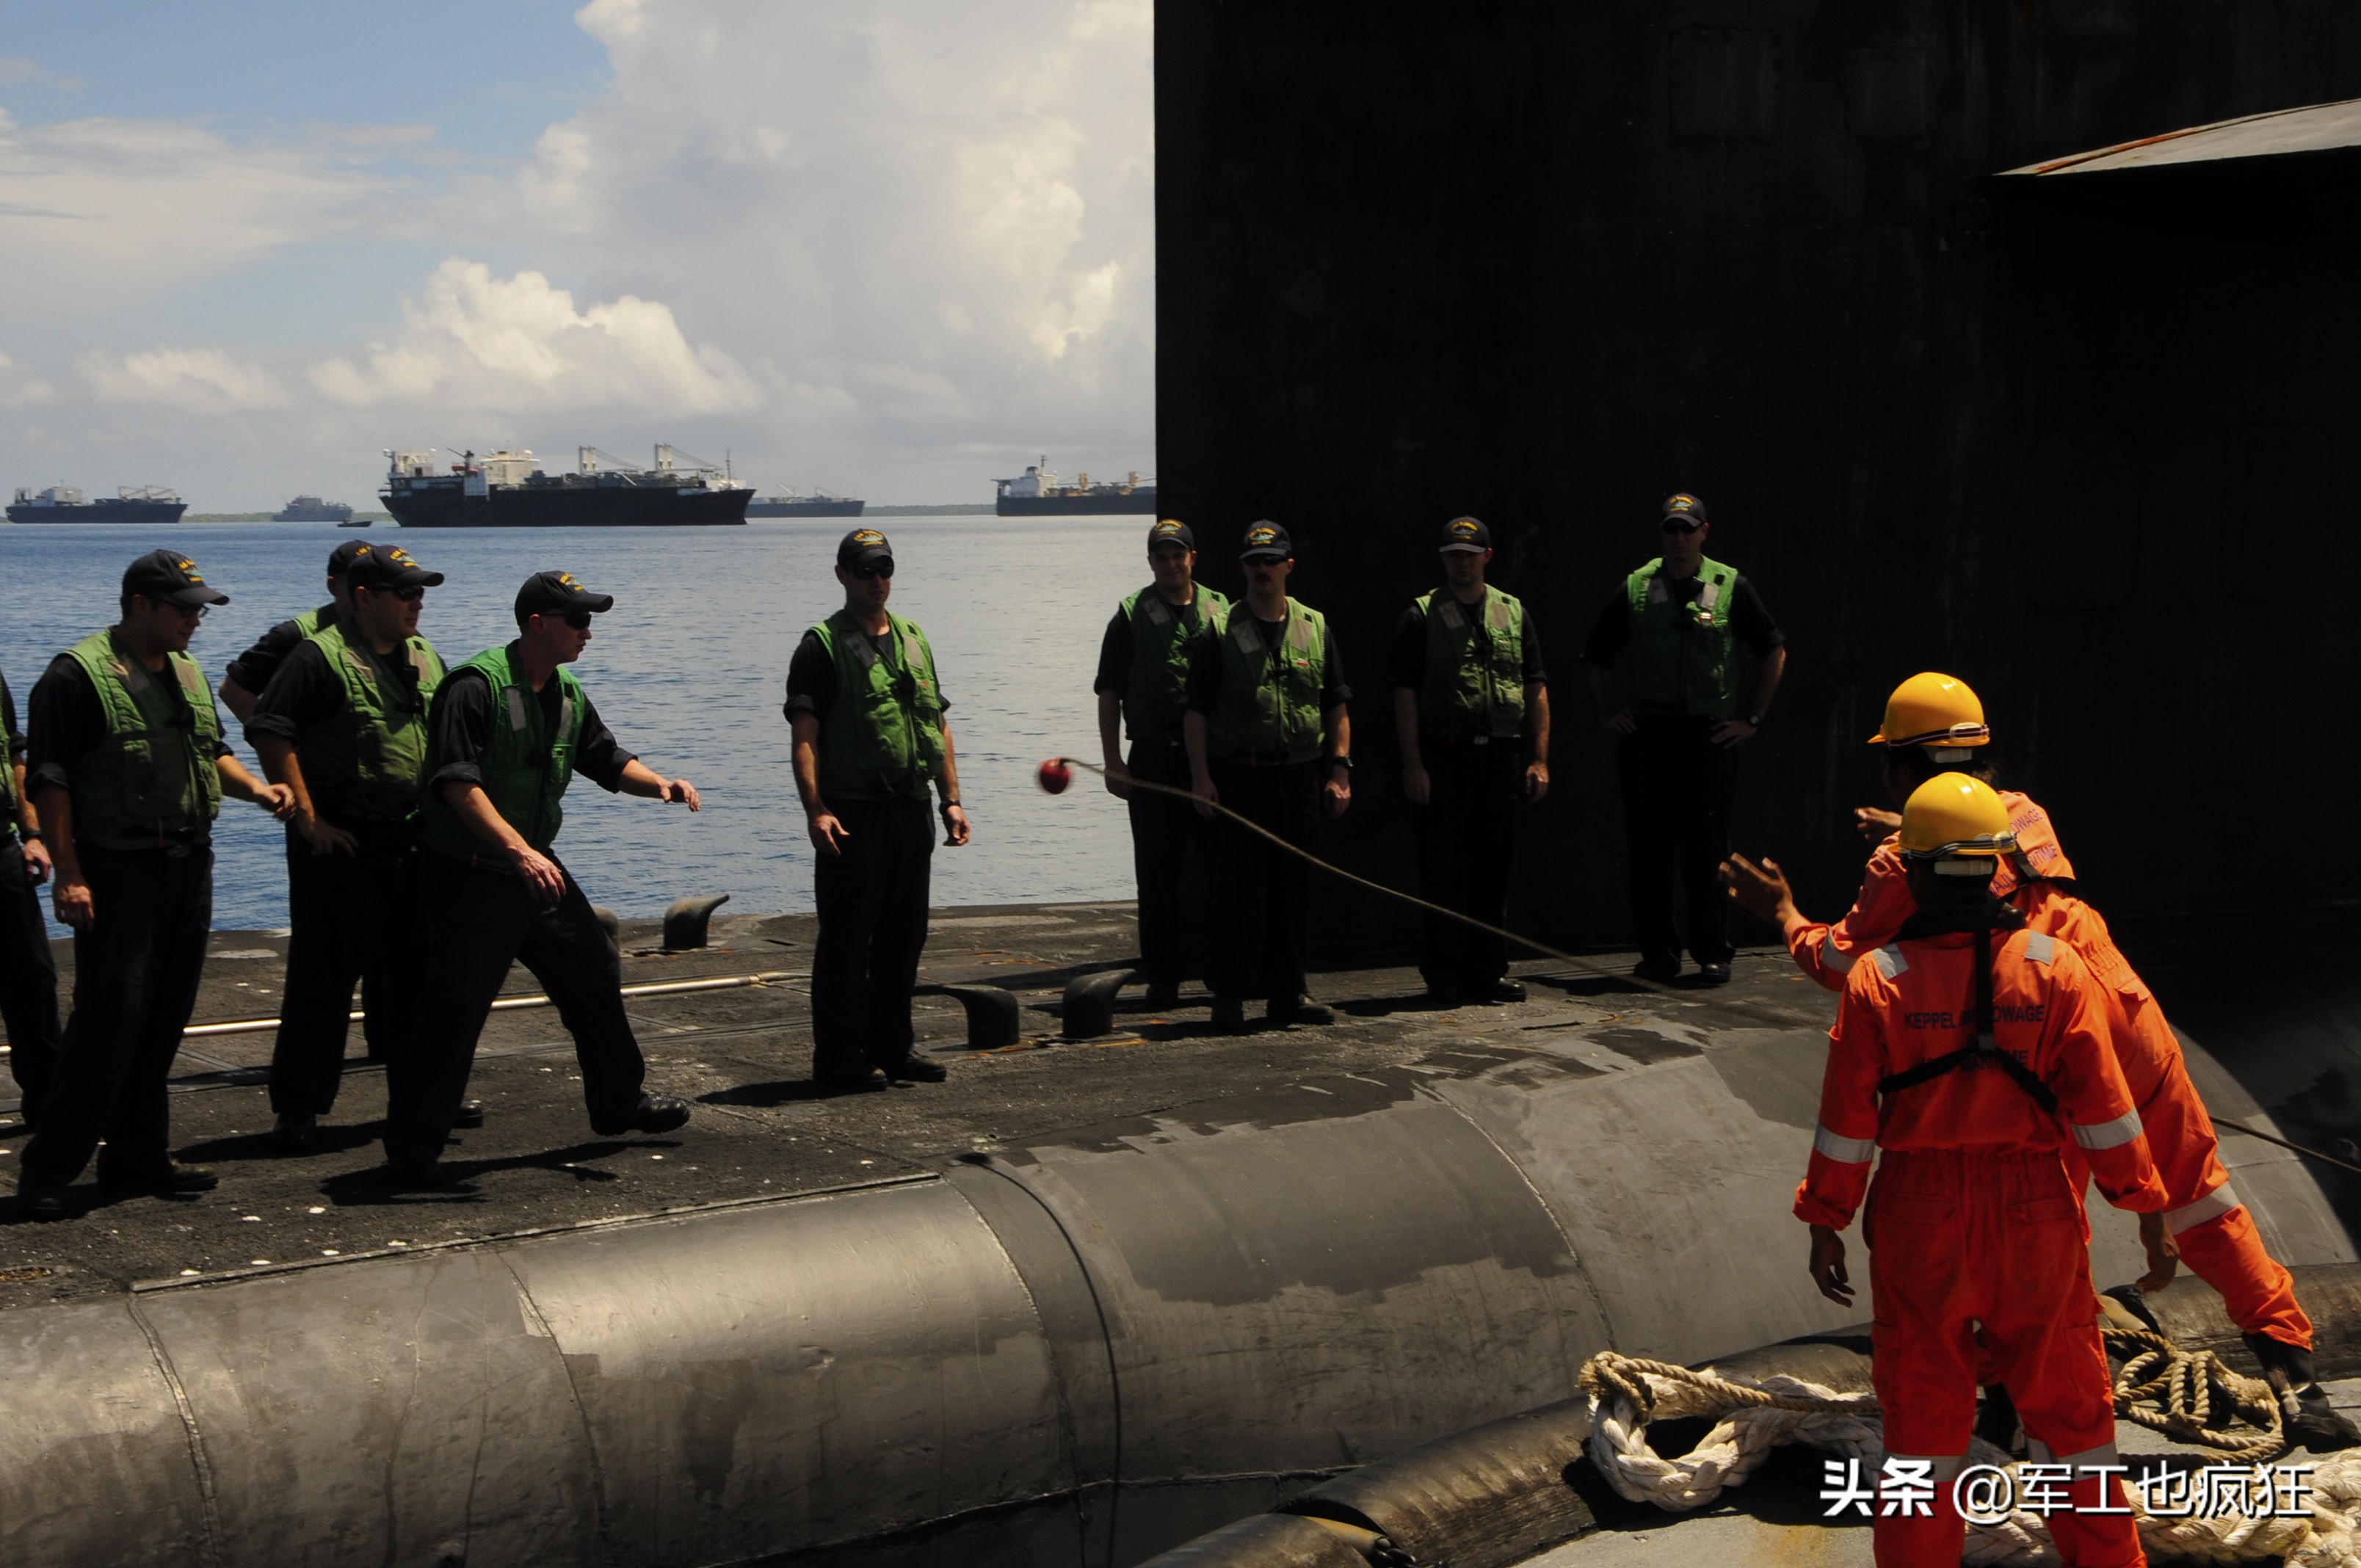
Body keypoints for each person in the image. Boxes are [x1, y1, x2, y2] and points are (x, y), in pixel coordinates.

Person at [1729, 671, 2355, 1450]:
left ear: (1901, 769)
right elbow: (1995, 853)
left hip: (2040, 1020)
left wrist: (1785, 914)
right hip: (2117, 996)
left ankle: (2016, 1406)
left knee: (2045, 1220)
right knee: (2201, 1194)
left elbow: (1839, 960)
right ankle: (2298, 1381)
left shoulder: (1899, 864)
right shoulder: (2027, 813)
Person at [1796, 772, 2166, 1567]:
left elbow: (1848, 1124)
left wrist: (1826, 1221)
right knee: (2074, 1423)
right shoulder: (2057, 968)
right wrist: (2146, 1207)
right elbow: (2105, 1109)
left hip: (1918, 1217)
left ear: (1918, 873)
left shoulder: (1878, 979)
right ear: (1999, 865)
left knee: (1922, 1434)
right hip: (2035, 1210)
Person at [383, 570, 698, 1183]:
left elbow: (604, 757)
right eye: (577, 622)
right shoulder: (474, 688)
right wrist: (519, 851)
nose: (587, 632)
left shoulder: (567, 693)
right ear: (537, 625)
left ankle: (616, 1103)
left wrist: (659, 782)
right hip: (470, 871)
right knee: (454, 1008)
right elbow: (455, 783)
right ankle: (414, 1147)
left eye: (589, 621)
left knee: (594, 967)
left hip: (531, 870)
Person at [15, 551, 295, 1219]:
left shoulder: (190, 673)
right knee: (109, 1019)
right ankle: (49, 1169)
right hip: (118, 868)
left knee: (164, 1014)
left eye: (200, 609)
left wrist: (257, 789)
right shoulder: (74, 677)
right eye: (184, 608)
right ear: (141, 604)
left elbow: (213, 750)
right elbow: (50, 780)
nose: (195, 620)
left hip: (187, 863)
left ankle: (137, 1155)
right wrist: (70, 874)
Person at [246, 544, 449, 1153]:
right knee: (324, 982)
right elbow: (269, 728)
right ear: (363, 598)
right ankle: (300, 1107)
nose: (417, 603)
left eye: (420, 593)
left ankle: (419, 1097)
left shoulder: (424, 655)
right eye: (405, 593)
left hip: (410, 841)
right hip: (343, 842)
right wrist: (309, 820)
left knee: (416, 977)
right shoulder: (319, 657)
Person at [786, 529, 971, 1089]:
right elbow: (805, 735)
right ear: (842, 575)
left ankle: (895, 1046)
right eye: (865, 570)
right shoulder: (821, 644)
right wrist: (815, 809)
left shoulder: (915, 639)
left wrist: (953, 800)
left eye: (884, 569)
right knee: (847, 940)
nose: (877, 581)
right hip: (852, 812)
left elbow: (937, 724)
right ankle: (840, 1057)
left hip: (910, 808)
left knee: (903, 936)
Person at [1581, 492, 1785, 984]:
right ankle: (1658, 954)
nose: (1679, 538)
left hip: (1708, 737)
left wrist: (1752, 719)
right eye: (1671, 529)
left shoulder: (1729, 584)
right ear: (1662, 533)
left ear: (1704, 532)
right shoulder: (1637, 587)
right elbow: (1596, 654)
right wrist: (1609, 711)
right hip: (1650, 735)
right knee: (1648, 852)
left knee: (1706, 851)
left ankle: (1713, 951)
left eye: (1687, 529)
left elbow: (1773, 649)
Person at [1184, 521, 1352, 1034]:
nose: (1263, 570)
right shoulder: (1218, 631)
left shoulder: (1315, 627)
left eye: (1271, 561)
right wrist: (1200, 778)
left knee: (1292, 890)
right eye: (1254, 562)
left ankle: (1288, 992)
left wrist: (1340, 769)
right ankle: (1229, 995)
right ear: (1244, 569)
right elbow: (1197, 712)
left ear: (1288, 566)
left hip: (1298, 778)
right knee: (1235, 891)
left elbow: (1336, 703)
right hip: (1239, 776)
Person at [1390, 515, 1549, 1006]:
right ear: (1444, 560)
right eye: (1454, 554)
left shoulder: (1513, 613)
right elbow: (1405, 693)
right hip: (1446, 757)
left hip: (1499, 758)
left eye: (1470, 553)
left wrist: (1538, 758)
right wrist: (1414, 763)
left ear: (1487, 556)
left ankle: (1487, 972)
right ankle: (1442, 974)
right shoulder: (1421, 616)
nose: (1462, 562)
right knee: (1442, 872)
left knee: (1492, 872)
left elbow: (1535, 687)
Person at [1094, 519, 1232, 1007]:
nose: (1171, 564)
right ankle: (1164, 977)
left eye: (1179, 555)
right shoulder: (1130, 615)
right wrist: (1113, 760)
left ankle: (1225, 974)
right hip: (1153, 756)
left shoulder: (1223, 611)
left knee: (1223, 870)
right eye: (1161, 557)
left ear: (1193, 557)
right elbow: (1109, 689)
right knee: (1157, 875)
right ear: (1150, 562)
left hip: (1211, 760)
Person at [218, 538, 371, 723]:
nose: (369, 591)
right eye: (359, 582)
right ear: (334, 586)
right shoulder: (294, 636)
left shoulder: (399, 633)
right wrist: (277, 742)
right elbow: (233, 691)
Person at [0, 668, 61, 1129]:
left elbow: (15, 752)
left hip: (2, 847)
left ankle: (47, 1102)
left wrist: (34, 832)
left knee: (33, 979)